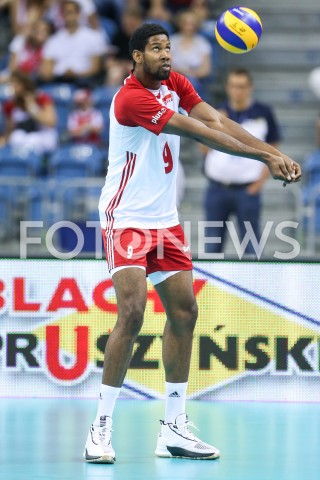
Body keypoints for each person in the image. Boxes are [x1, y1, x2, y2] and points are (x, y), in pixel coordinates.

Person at [83, 23, 301, 464]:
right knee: (132, 311)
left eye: (168, 47)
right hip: (124, 218)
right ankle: (101, 426)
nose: (166, 55)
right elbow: (200, 133)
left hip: (165, 220)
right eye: (156, 49)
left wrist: (271, 151)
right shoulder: (130, 99)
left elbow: (218, 120)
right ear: (136, 57)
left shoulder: (176, 83)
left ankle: (175, 428)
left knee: (184, 312)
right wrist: (265, 158)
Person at [202, 68, 281, 256]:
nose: (237, 90)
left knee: (251, 248)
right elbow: (203, 146)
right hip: (217, 188)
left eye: (242, 86)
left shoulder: (263, 113)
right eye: (233, 86)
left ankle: (253, 283)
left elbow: (274, 149)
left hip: (247, 190)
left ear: (250, 88)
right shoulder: (217, 113)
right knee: (212, 248)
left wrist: (258, 183)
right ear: (227, 88)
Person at [39, 0, 107, 87]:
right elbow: (45, 70)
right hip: (58, 81)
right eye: (66, 13)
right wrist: (58, 74)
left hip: (83, 82)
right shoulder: (53, 40)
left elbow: (96, 68)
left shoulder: (93, 37)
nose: (69, 16)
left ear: (78, 14)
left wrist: (75, 74)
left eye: (71, 12)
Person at [0, 70, 57, 154]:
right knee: (16, 136)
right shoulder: (10, 104)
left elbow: (51, 122)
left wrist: (32, 107)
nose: (12, 87)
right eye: (11, 84)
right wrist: (4, 140)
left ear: (23, 85)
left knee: (33, 140)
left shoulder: (41, 98)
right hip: (24, 137)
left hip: (43, 135)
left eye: (15, 84)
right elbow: (10, 129)